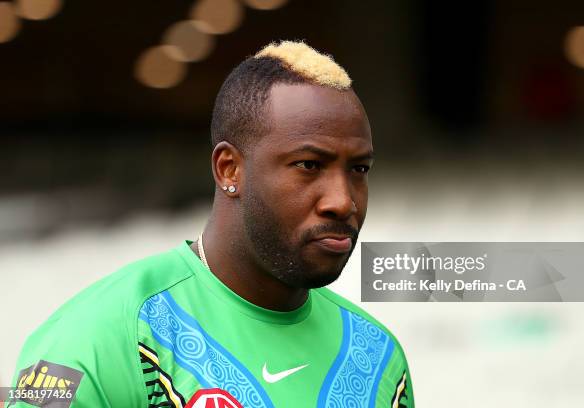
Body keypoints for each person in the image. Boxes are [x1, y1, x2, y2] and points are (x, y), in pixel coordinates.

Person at [8, 41, 414, 408]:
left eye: (359, 169)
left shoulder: (378, 356)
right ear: (229, 168)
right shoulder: (92, 339)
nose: (342, 200)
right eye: (309, 165)